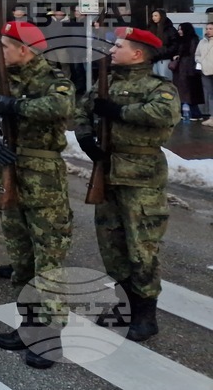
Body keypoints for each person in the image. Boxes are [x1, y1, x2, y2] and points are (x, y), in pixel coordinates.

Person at [0, 20, 75, 370]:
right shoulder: (0, 80)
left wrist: (15, 107)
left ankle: (50, 336)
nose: (0, 53)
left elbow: (59, 107)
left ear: (24, 49)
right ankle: (29, 325)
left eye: (6, 47)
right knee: (21, 257)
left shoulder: (54, 80)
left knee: (48, 259)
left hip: (43, 178)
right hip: (8, 172)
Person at [74, 26, 178, 342]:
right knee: (111, 243)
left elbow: (162, 113)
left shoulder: (159, 86)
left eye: (119, 46)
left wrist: (119, 111)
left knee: (142, 246)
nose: (112, 50)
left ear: (137, 54)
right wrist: (85, 138)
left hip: (141, 177)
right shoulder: (107, 82)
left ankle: (146, 315)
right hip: (107, 172)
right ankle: (124, 304)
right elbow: (82, 109)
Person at [171, 22, 203, 121]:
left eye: (181, 29)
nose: (179, 31)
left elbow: (193, 55)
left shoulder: (192, 40)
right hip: (182, 69)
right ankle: (192, 113)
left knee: (188, 91)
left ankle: (194, 113)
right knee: (183, 91)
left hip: (187, 70)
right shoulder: (182, 40)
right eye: (178, 29)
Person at [148, 8, 179, 79]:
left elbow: (175, 44)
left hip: (165, 58)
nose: (153, 18)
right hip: (154, 59)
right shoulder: (152, 29)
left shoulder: (169, 29)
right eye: (152, 16)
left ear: (161, 16)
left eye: (156, 16)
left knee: (165, 78)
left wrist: (165, 52)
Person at [199, 23, 213, 127]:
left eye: (211, 29)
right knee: (210, 95)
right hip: (205, 71)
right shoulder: (202, 42)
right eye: (207, 28)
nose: (208, 30)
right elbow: (197, 54)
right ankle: (212, 117)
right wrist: (200, 61)